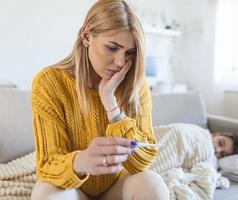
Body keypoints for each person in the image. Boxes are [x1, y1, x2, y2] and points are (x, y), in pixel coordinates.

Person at [30, 0, 169, 199]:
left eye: (129, 53)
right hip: (73, 189)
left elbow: (143, 161)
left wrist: (111, 105)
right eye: (112, 48)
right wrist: (81, 161)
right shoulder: (49, 83)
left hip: (116, 186)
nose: (120, 62)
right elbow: (47, 164)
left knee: (153, 184)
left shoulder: (136, 86)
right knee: (45, 194)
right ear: (86, 36)